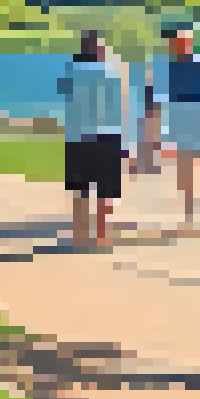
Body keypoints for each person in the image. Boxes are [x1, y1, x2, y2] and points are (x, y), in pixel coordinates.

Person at [57, 32, 130, 248]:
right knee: (104, 192)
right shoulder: (113, 71)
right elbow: (121, 107)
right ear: (101, 50)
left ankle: (80, 235)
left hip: (77, 137)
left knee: (80, 191)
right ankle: (101, 236)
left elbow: (64, 95)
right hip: (108, 136)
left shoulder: (71, 71)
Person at [160, 25, 200, 230]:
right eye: (173, 43)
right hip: (182, 118)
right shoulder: (172, 66)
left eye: (177, 41)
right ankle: (190, 212)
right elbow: (171, 99)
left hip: (197, 116)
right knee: (186, 168)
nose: (173, 45)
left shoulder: (197, 62)